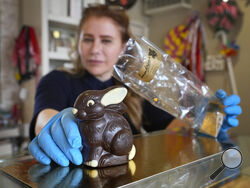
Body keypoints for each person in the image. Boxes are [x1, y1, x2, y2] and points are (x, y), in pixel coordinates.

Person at [28, 4, 242, 167]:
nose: (95, 49)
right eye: (88, 39)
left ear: (123, 47)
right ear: (79, 43)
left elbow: (174, 129)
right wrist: (53, 124)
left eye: (106, 40)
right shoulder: (56, 80)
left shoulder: (135, 90)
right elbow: (44, 116)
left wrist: (208, 122)